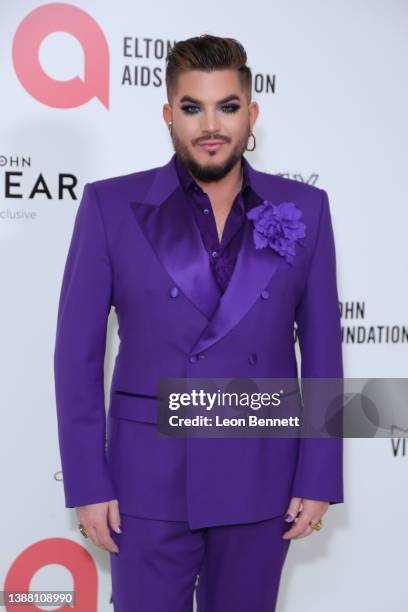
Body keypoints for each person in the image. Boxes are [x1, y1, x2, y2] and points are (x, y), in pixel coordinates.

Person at [54, 34, 344, 612]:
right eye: (192, 107)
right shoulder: (110, 207)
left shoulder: (304, 209)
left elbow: (323, 350)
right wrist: (89, 483)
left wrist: (318, 475)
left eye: (227, 106)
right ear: (168, 114)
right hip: (147, 481)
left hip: (261, 475)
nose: (211, 126)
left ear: (251, 112)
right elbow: (76, 357)